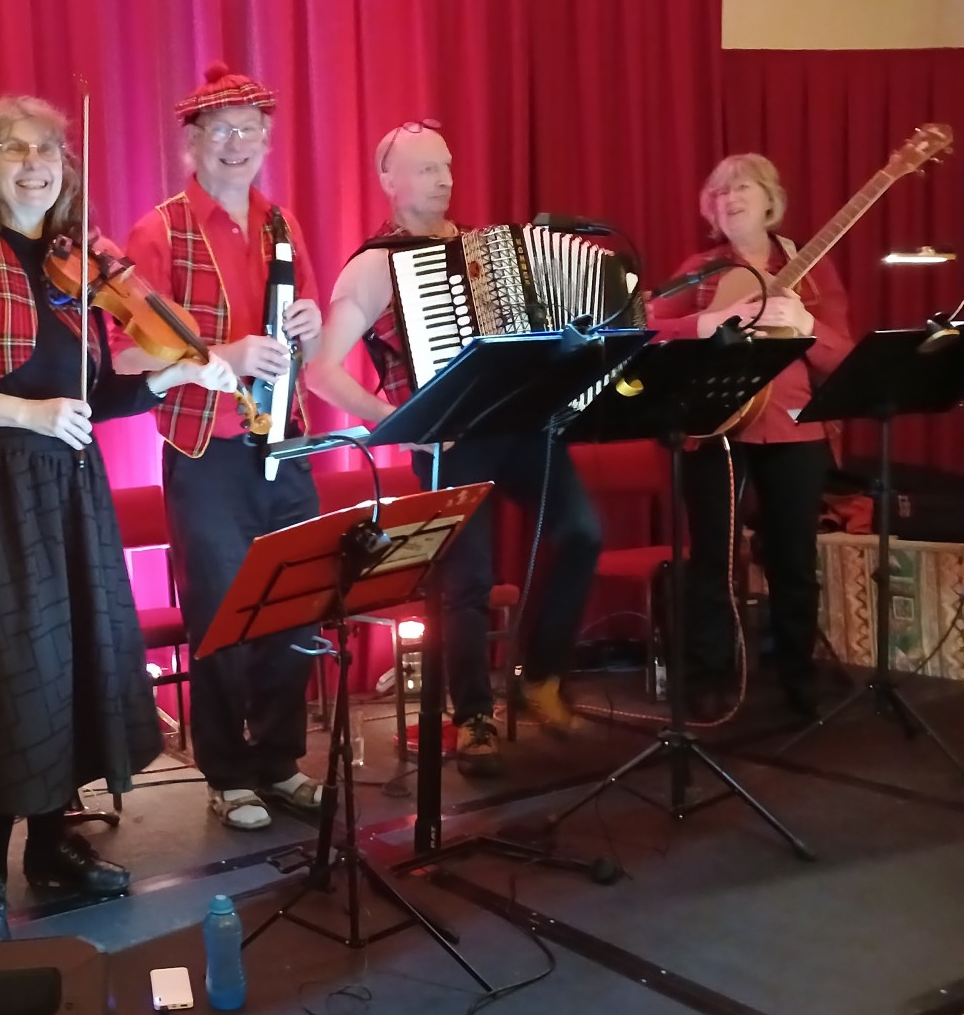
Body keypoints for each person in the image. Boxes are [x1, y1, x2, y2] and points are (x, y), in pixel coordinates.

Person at [0, 96, 237, 941]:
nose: (37, 163)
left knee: (74, 664)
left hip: (68, 486)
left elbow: (99, 395)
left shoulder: (77, 267)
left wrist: (177, 376)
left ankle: (51, 850)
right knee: (11, 674)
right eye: (17, 149)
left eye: (50, 150)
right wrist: (23, 413)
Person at [307, 120, 603, 776]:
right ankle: (471, 715)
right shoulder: (373, 265)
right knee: (465, 580)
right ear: (389, 180)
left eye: (447, 166)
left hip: (521, 426)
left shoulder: (488, 251)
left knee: (581, 531)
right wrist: (399, 421)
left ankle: (540, 674)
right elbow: (320, 372)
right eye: (426, 168)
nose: (445, 180)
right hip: (450, 439)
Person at [121, 64, 325, 831]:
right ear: (192, 145)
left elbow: (298, 330)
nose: (238, 145)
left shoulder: (283, 224)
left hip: (286, 443)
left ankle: (278, 762)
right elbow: (129, 355)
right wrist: (222, 356)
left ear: (268, 141)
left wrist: (304, 323)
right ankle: (227, 773)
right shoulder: (160, 230)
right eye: (221, 132)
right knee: (223, 613)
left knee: (295, 610)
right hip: (206, 452)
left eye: (250, 131)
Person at [647, 153, 854, 721]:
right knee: (713, 559)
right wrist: (704, 323)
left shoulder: (811, 269)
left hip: (795, 428)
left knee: (794, 558)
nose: (730, 197)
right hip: (716, 429)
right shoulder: (702, 269)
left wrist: (806, 327)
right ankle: (711, 676)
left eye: (743, 187)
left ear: (770, 200)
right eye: (719, 191)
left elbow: (845, 361)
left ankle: (796, 675)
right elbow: (644, 324)